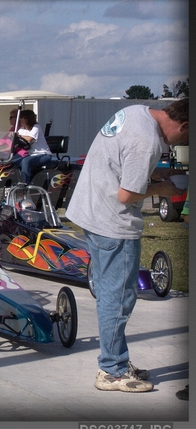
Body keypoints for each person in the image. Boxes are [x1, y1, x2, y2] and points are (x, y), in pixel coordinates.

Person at [66, 98, 189, 393]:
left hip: (91, 212)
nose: (182, 143)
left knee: (110, 295)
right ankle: (112, 370)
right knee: (119, 299)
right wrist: (163, 188)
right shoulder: (147, 141)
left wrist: (156, 173)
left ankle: (116, 360)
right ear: (184, 125)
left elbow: (119, 162)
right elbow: (126, 194)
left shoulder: (136, 113)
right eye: (187, 137)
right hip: (113, 224)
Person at [16, 109, 53, 184]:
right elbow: (16, 138)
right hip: (31, 155)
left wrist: (18, 136)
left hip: (44, 154)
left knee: (26, 161)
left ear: (27, 119)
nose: (19, 119)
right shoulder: (22, 129)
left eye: (21, 117)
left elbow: (30, 138)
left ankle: (24, 183)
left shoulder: (36, 127)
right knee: (14, 162)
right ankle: (16, 182)